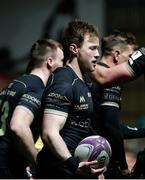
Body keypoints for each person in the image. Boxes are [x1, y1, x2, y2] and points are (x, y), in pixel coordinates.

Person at [37, 19, 106, 179]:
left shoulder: (83, 82)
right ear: (74, 49)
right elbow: (49, 132)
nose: (97, 54)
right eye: (92, 48)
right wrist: (74, 166)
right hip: (59, 171)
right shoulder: (64, 82)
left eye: (98, 49)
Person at [0, 38, 64, 178]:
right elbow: (18, 126)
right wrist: (36, 160)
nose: (63, 66)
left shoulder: (15, 83)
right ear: (50, 62)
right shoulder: (36, 87)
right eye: (62, 60)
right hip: (6, 167)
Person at [86, 31, 138, 179]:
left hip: (85, 152)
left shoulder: (89, 74)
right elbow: (112, 126)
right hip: (101, 158)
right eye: (129, 58)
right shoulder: (110, 80)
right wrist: (123, 166)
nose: (129, 64)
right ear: (116, 55)